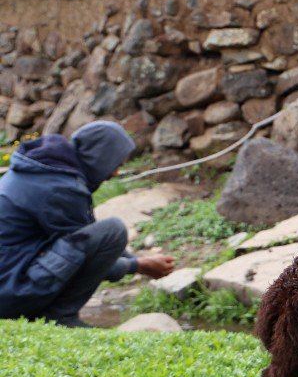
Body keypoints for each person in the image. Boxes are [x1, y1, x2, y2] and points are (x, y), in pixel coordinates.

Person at [0, 121, 175, 327]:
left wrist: (137, 260)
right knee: (113, 229)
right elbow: (86, 256)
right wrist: (138, 265)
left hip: (9, 281)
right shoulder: (61, 188)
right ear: (100, 158)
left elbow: (86, 236)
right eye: (116, 164)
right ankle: (60, 317)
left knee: (107, 233)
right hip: (10, 292)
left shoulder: (45, 171)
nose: (116, 174)